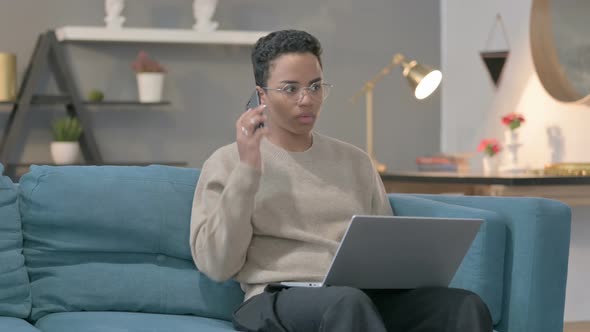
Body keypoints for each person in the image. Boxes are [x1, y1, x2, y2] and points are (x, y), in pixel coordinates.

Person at [190, 29, 492, 332]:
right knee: (347, 303)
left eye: (315, 86)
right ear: (261, 95)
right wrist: (248, 169)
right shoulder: (229, 161)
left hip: (356, 296)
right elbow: (218, 265)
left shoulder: (355, 161)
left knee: (461, 305)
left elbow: (383, 245)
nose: (306, 100)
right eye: (290, 89)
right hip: (276, 298)